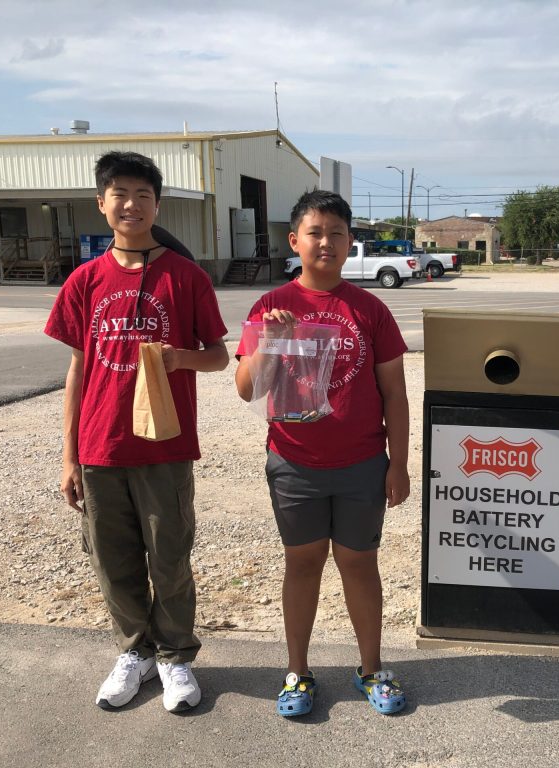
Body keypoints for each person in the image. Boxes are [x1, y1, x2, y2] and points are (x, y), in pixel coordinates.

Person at [45, 151, 229, 713]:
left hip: (165, 445)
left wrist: (180, 358)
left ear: (157, 205)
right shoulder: (85, 281)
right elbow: (78, 371)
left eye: (143, 195)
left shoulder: (187, 277)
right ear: (101, 204)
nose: (131, 204)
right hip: (101, 447)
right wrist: (69, 456)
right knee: (112, 559)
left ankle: (175, 657)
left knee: (169, 557)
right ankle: (135, 651)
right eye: (119, 194)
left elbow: (219, 355)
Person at [235, 189, 410, 718]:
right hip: (294, 462)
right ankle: (298, 672)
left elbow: (395, 393)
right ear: (295, 240)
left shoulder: (369, 309)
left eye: (337, 233)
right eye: (315, 232)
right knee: (302, 563)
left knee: (359, 564)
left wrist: (399, 464)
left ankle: (371, 669)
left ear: (350, 241)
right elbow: (246, 388)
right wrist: (270, 341)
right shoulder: (271, 306)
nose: (326, 242)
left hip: (361, 464)